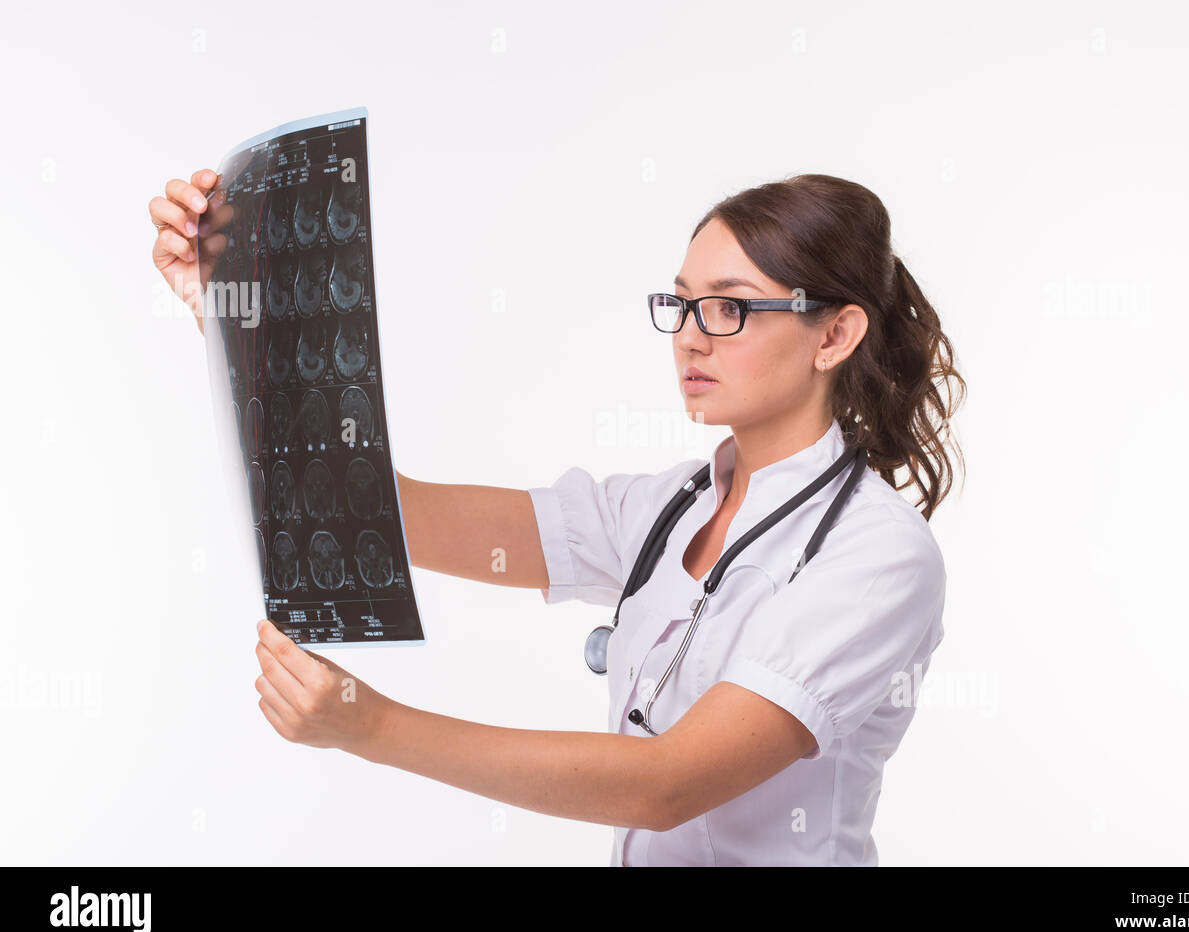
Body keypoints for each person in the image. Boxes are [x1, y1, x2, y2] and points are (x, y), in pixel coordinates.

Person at [149, 170, 966, 865]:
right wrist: (234, 317)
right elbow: (383, 509)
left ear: (836, 335)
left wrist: (369, 725)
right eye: (679, 305)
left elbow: (665, 785)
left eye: (731, 308)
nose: (689, 338)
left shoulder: (877, 557)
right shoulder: (665, 508)